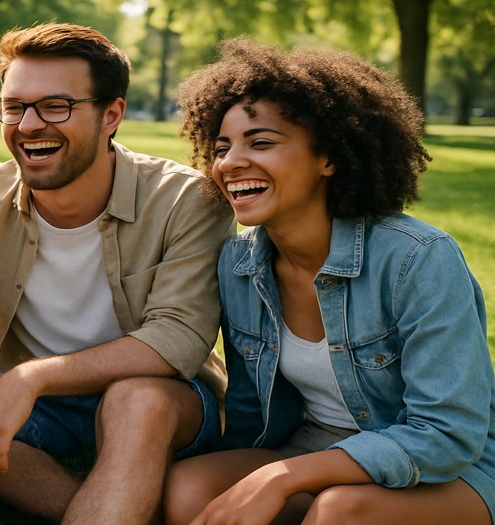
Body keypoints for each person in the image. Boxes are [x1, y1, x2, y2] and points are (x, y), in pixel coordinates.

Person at [163, 38, 495, 525]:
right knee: (190, 489)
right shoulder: (239, 263)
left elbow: (446, 434)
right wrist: (256, 473)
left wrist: (282, 478)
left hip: (450, 466)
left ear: (329, 158)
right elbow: (252, 412)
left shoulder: (417, 259)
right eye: (221, 147)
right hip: (315, 446)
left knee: (341, 511)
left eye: (260, 142)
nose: (230, 162)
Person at [0, 22, 236, 524]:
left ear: (111, 114)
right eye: (14, 107)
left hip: (166, 402)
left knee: (135, 399)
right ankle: (113, 508)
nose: (29, 124)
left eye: (56, 106)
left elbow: (177, 339)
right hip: (41, 409)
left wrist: (31, 378)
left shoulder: (185, 199)